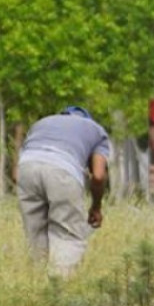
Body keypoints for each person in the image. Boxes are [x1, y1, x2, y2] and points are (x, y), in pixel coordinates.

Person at [16, 106, 112, 277]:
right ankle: (59, 286)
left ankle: (36, 282)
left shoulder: (42, 123)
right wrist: (96, 207)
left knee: (35, 233)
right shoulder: (96, 131)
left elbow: (16, 170)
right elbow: (98, 176)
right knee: (68, 235)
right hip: (63, 169)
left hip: (26, 168)